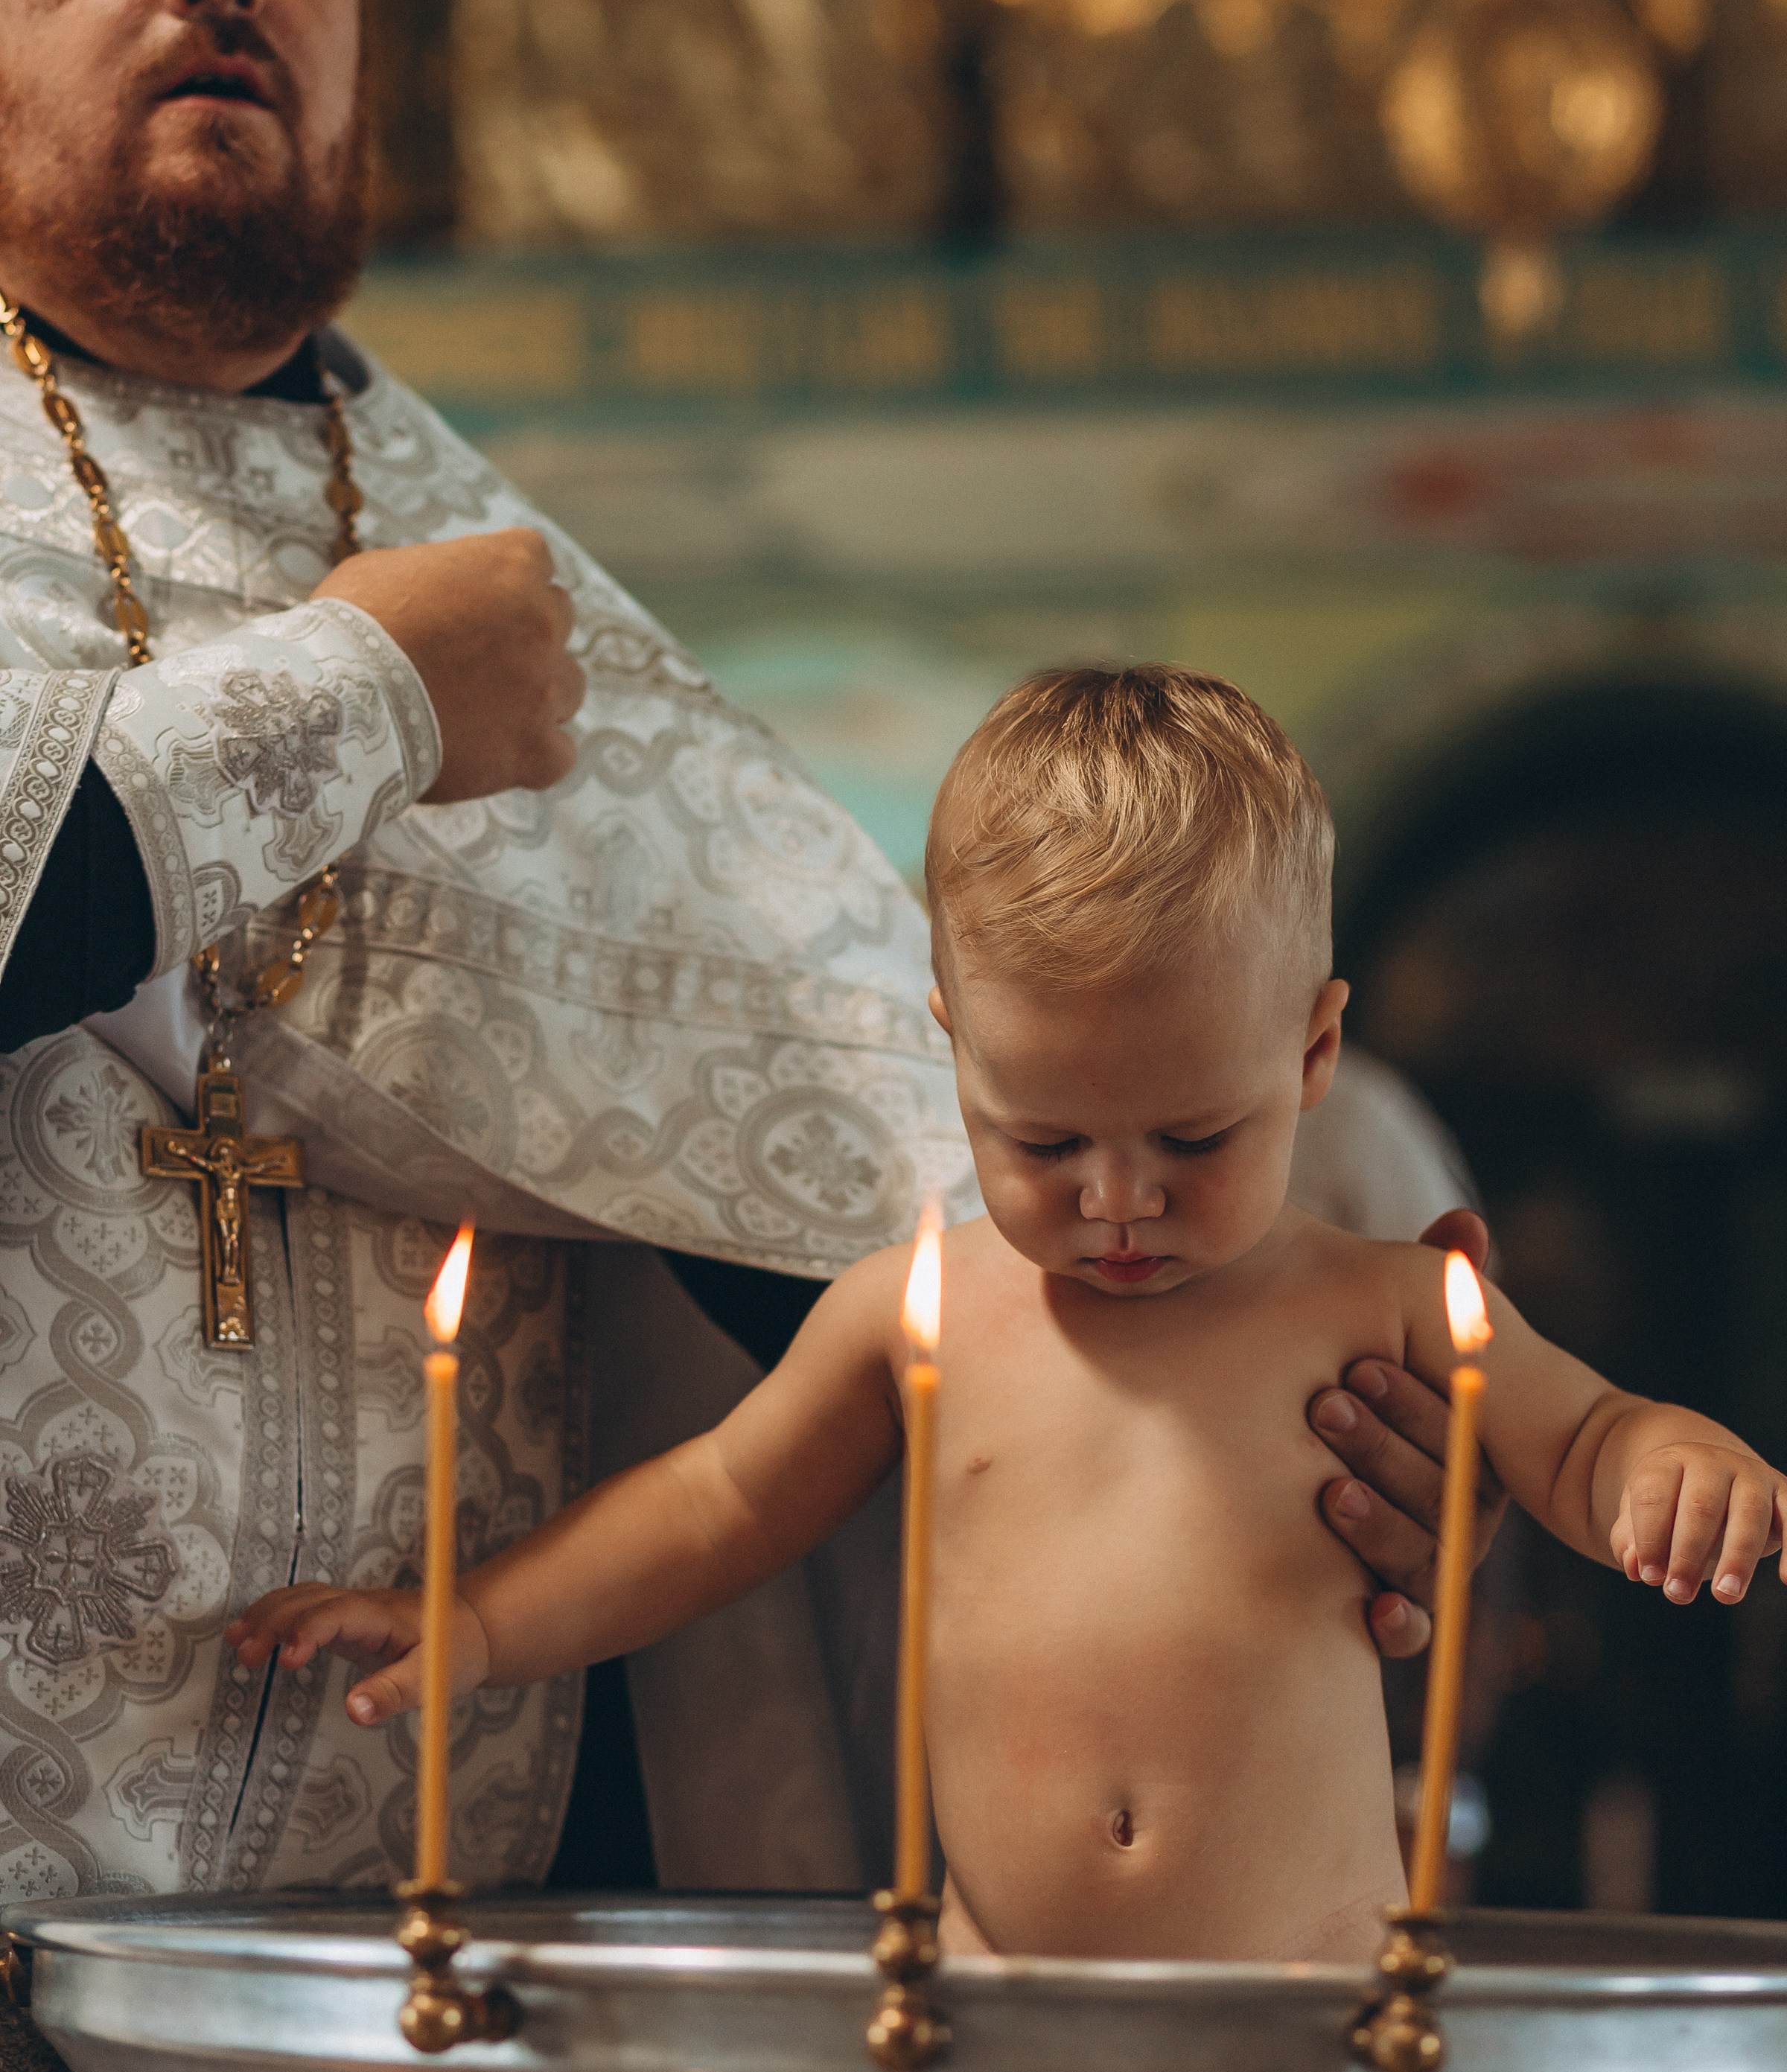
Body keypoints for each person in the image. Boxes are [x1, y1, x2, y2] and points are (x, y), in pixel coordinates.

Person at [0, 0, 1480, 1911]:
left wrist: (1280, 1388)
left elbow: (881, 1156)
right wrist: (375, 686)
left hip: (449, 1885)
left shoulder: (498, 561)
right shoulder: (446, 617)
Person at [231, 668, 1787, 1963]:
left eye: (1192, 1139)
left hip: (1303, 1984)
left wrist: (1671, 1466)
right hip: (986, 1978)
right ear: (953, 1045)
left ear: (1314, 1057)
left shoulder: (1381, 1300)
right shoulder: (918, 1313)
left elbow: (1575, 1438)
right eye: (1043, 1141)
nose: (1117, 1200)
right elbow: (720, 1503)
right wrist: (485, 1623)